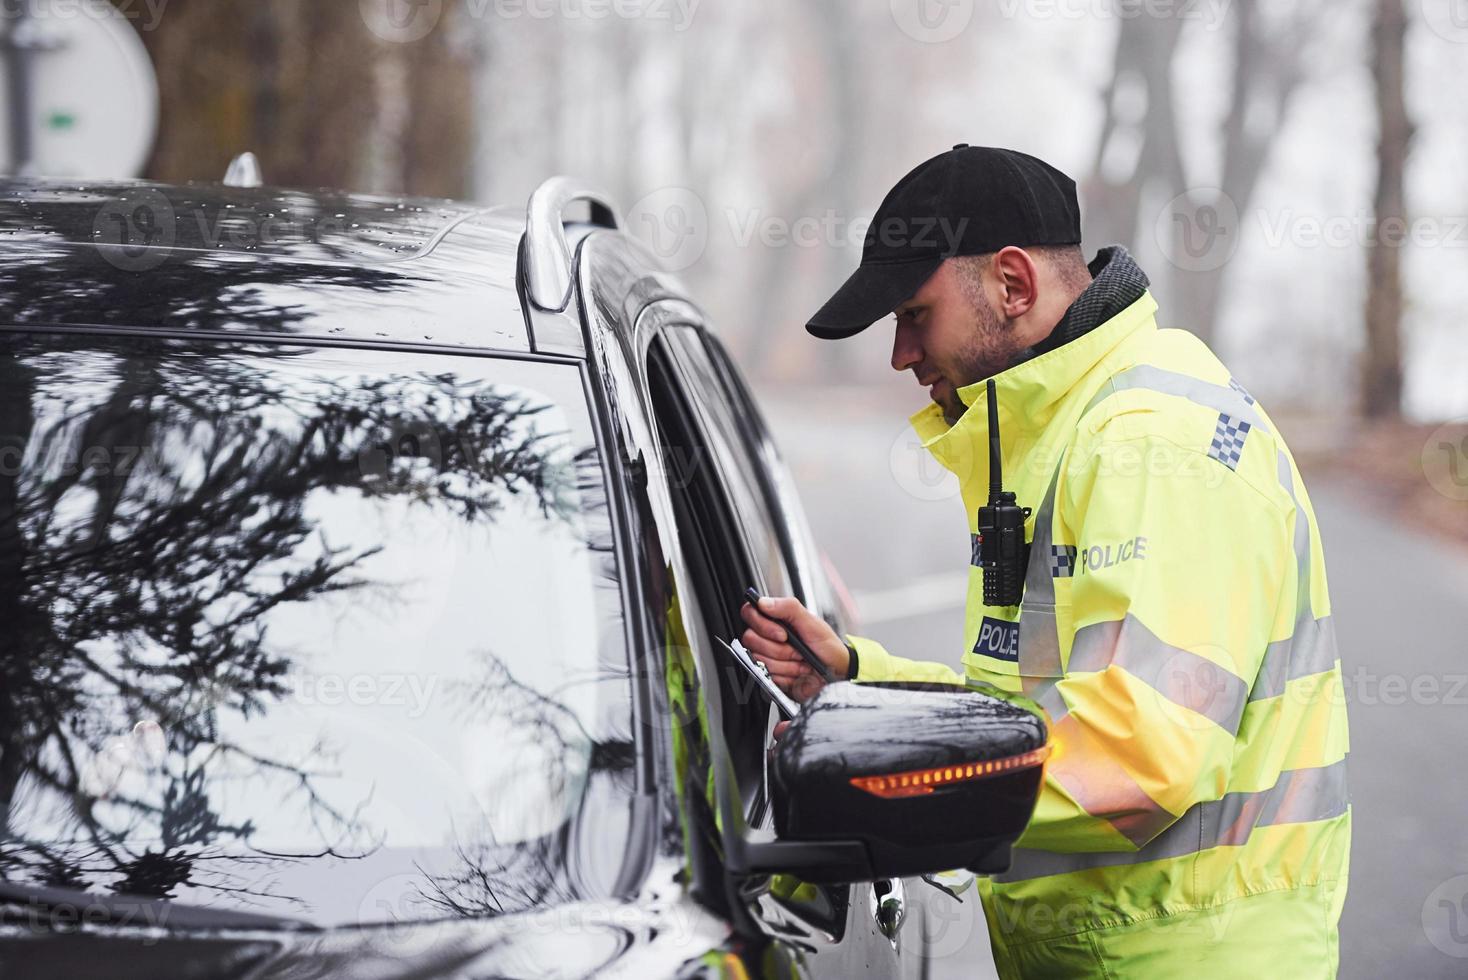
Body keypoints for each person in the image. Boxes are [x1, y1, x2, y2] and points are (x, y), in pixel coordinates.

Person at [740, 145, 1350, 979]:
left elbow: (1140, 759)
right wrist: (857, 681)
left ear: (1014, 286)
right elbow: (1032, 714)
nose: (899, 354)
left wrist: (887, 784)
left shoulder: (1149, 443)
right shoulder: (1063, 431)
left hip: (1184, 956)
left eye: (914, 314)